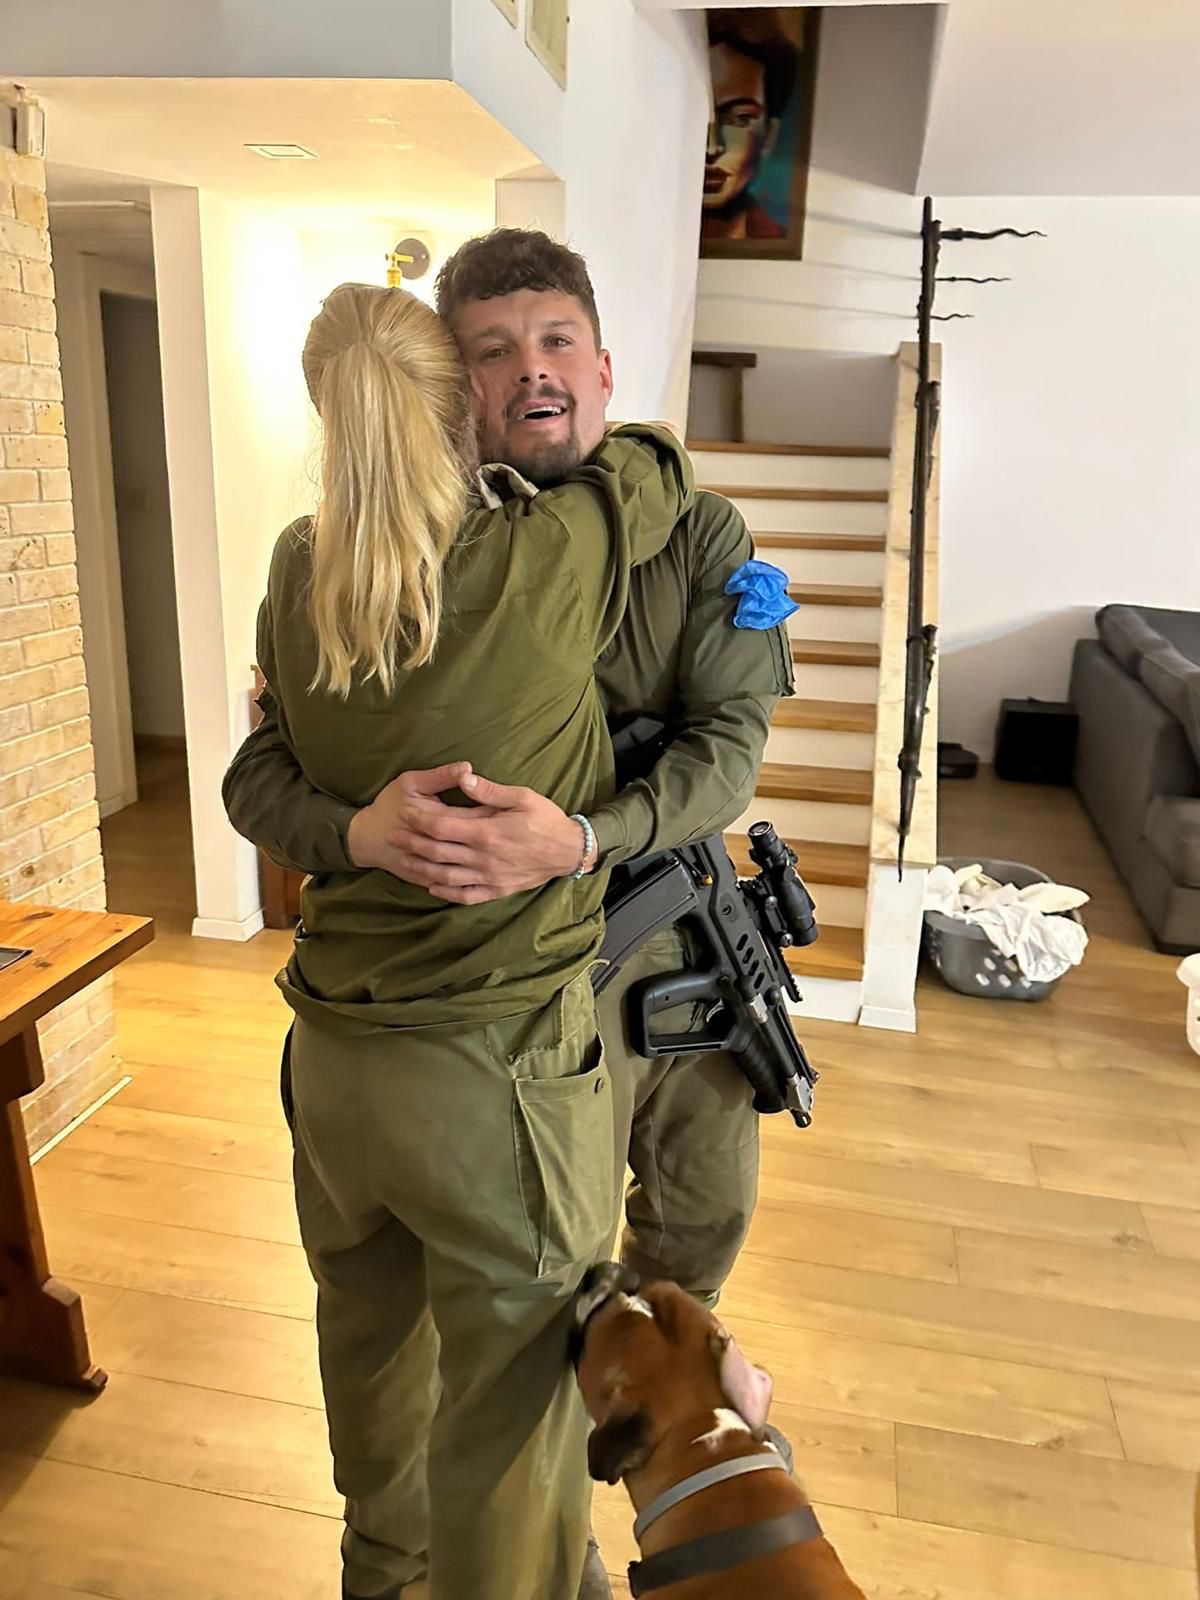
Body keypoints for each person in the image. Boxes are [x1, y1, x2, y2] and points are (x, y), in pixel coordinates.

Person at [223, 230, 793, 1585]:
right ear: (452, 392)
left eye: (557, 343)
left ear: (603, 365)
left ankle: (652, 1454)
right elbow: (265, 765)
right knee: (519, 1347)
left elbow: (729, 746)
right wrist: (366, 826)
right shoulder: (443, 552)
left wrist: (587, 831)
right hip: (515, 1022)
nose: (533, 371)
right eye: (491, 350)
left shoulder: (693, 538)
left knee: (688, 1225)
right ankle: (542, 1556)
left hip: (652, 952)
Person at [702, 8, 801, 242]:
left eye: (741, 118)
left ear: (770, 135)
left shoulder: (771, 242)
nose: (711, 148)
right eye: (693, 115)